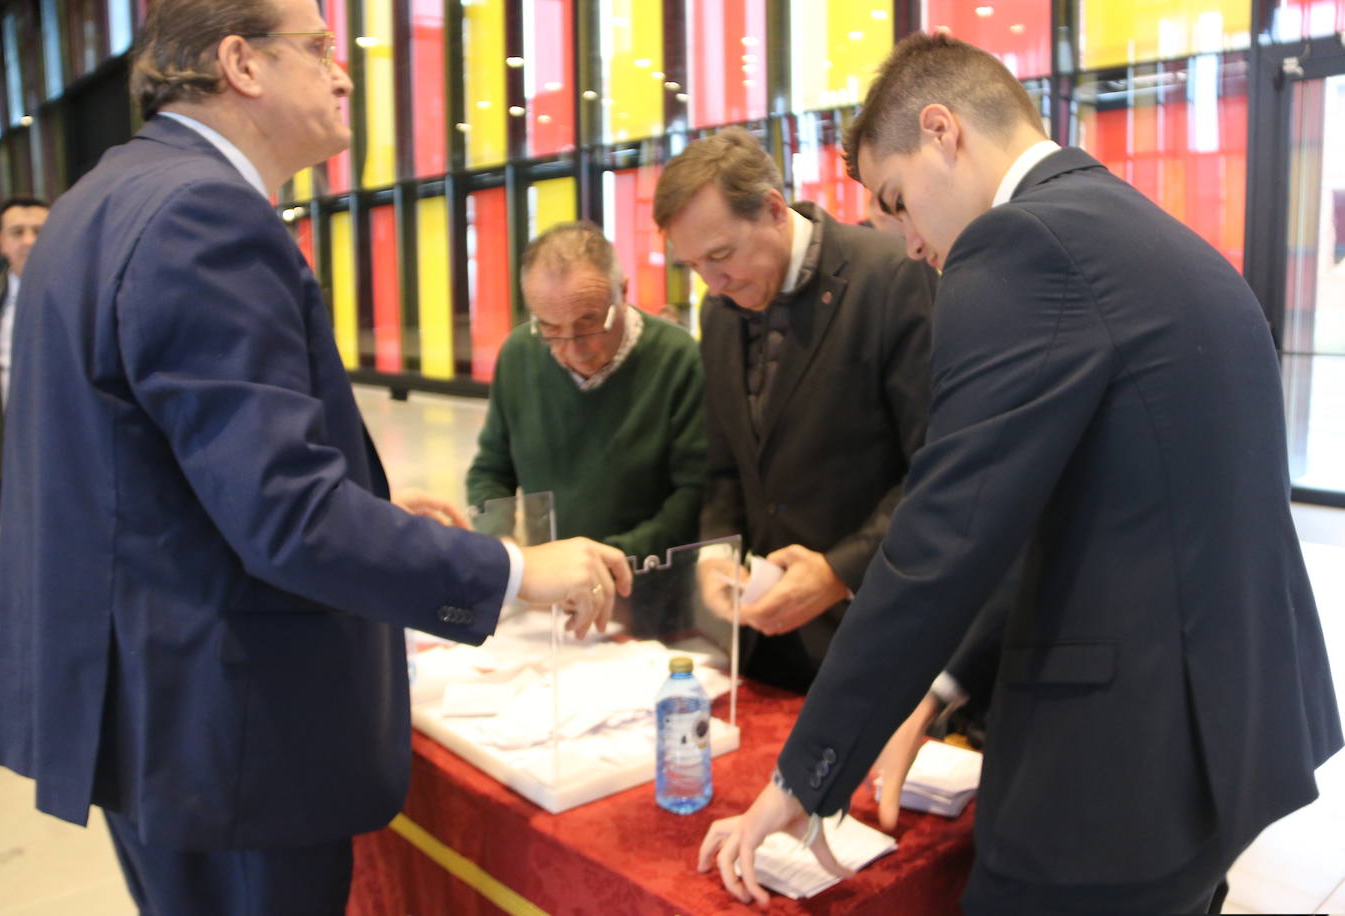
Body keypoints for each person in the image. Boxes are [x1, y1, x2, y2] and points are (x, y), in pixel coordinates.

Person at [0, 2, 631, 914]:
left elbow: (159, 468)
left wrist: (371, 504)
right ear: (241, 63)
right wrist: (517, 570)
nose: (345, 70)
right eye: (321, 46)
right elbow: (287, 517)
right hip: (233, 729)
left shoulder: (101, 198)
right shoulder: (204, 214)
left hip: (148, 705)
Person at [697, 33, 1342, 914]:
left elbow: (943, 537)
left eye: (898, 201)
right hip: (1223, 724)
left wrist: (802, 778)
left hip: (1118, 762)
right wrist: (937, 689)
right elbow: (1068, 507)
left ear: (943, 132)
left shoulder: (1020, 246)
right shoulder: (1131, 226)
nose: (914, 243)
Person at [653, 126, 941, 695]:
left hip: (874, 634)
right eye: (693, 266)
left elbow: (934, 466)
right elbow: (724, 465)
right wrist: (715, 554)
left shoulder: (891, 277)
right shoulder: (718, 312)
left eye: (721, 255)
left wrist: (840, 572)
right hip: (762, 640)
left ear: (772, 209)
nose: (713, 282)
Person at [466, 220, 705, 564]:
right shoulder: (519, 352)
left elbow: (695, 495)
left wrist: (607, 561)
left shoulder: (678, 358)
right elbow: (491, 470)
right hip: (552, 580)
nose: (574, 348)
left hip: (651, 577)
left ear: (623, 293)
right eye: (550, 328)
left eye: (589, 323)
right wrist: (501, 544)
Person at [0, 196, 50, 517]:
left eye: (39, 231)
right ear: (2, 242)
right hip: (6, 454)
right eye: (17, 232)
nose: (29, 241)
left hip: (67, 450)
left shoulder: (84, 296)